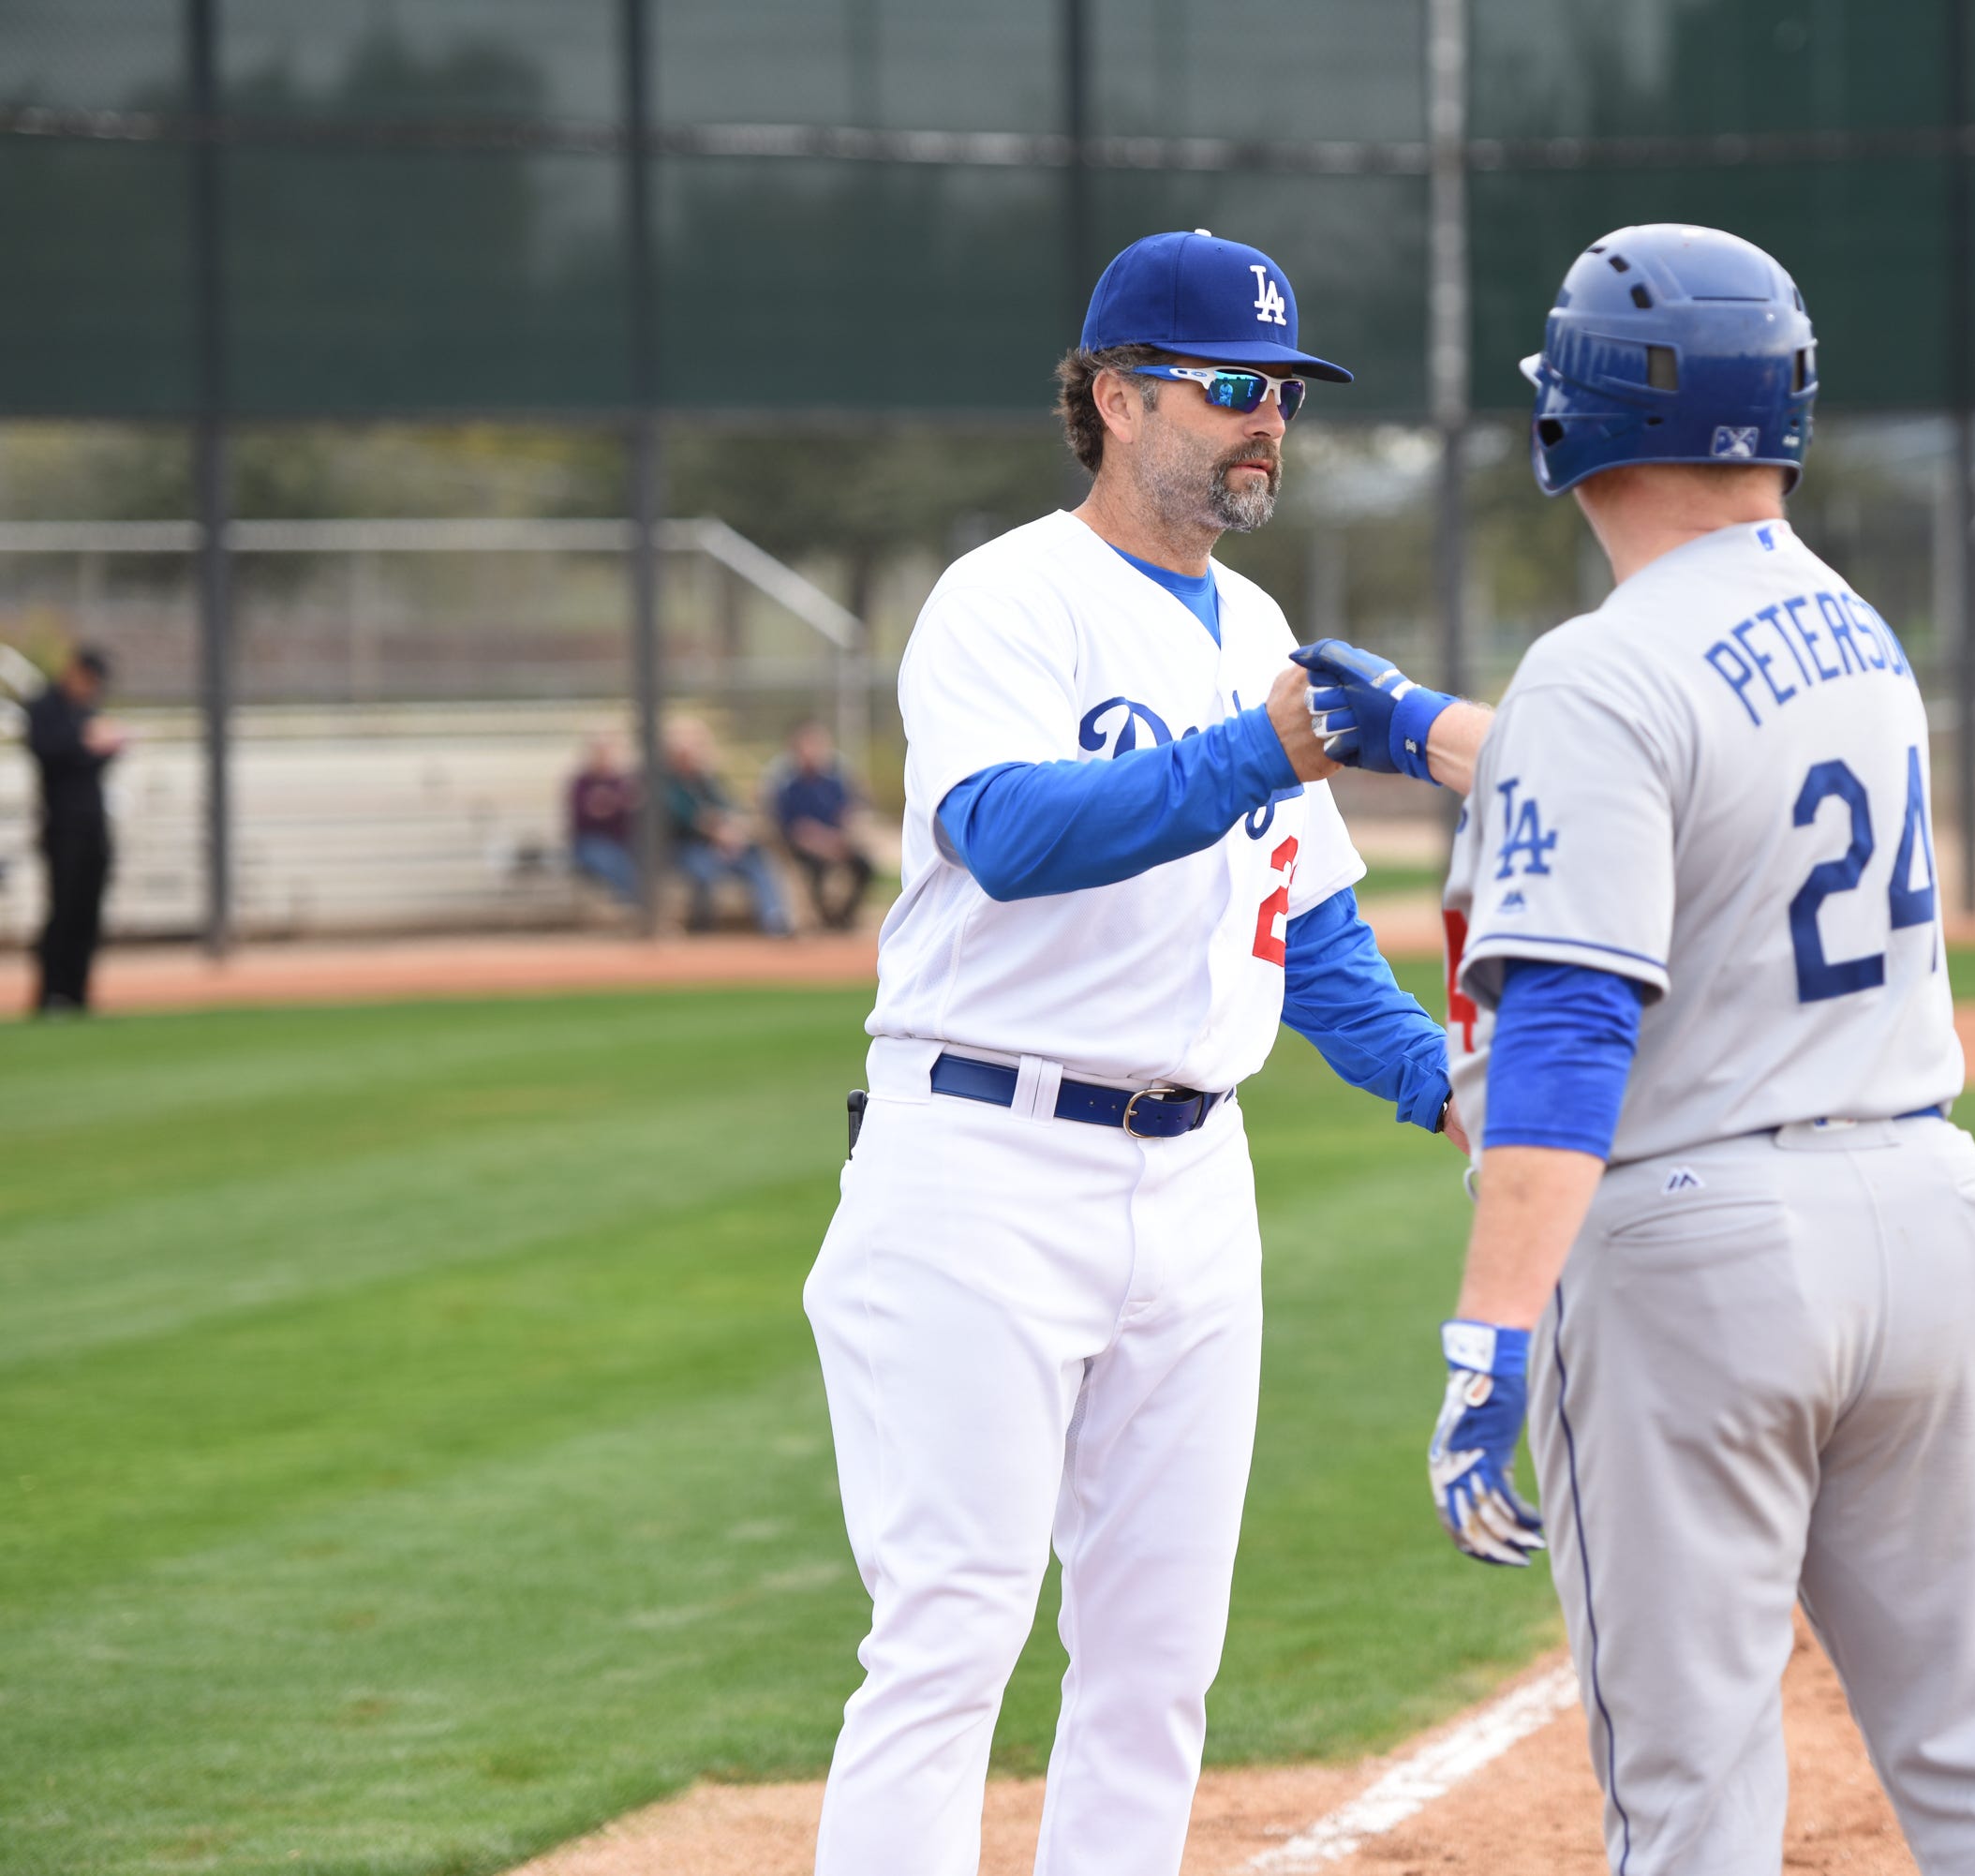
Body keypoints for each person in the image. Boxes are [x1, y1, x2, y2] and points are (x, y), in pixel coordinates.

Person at [1297, 223, 1975, 1876]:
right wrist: (1416, 729)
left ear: (1574, 424)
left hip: (1706, 1262)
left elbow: (1575, 1018)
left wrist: (1490, 1325)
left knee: (1692, 1796)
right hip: (1926, 1215)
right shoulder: (1858, 633)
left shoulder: (1598, 670)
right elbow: (1667, 785)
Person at [801, 230, 1460, 1876]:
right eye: (1231, 387)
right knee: (952, 1632)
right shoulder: (1007, 596)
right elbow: (1009, 832)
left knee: (1161, 1660)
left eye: (1283, 395)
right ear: (1112, 396)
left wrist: (1440, 1081)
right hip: (982, 1161)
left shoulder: (1256, 624)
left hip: (1192, 1182)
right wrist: (1255, 748)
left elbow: (1307, 930)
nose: (1267, 425)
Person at [23, 646, 126, 1015]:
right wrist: (86, 745)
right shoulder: (46, 708)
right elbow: (47, 752)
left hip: (93, 822)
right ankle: (51, 993)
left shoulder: (88, 711)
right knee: (62, 910)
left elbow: (96, 761)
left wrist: (106, 747)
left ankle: (78, 992)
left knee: (88, 911)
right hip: (62, 825)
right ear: (75, 672)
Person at [657, 718, 793, 935]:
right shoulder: (665, 782)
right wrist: (718, 831)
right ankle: (703, 928)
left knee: (757, 861)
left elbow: (730, 809)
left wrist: (735, 831)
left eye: (695, 745)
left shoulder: (709, 780)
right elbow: (687, 817)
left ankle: (774, 920)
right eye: (684, 747)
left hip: (724, 847)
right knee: (702, 870)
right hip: (686, 849)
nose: (691, 752)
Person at [768, 722, 875, 931]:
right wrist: (822, 845)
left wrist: (844, 838)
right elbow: (794, 829)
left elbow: (848, 813)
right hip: (805, 848)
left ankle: (844, 917)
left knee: (864, 866)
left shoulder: (835, 782)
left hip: (836, 843)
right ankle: (822, 919)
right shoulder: (788, 785)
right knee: (815, 870)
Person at [567, 732, 641, 907]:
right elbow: (582, 818)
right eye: (599, 751)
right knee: (611, 861)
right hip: (591, 843)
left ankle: (636, 906)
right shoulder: (581, 783)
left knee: (634, 861)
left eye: (608, 751)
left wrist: (609, 805)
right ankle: (634, 906)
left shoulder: (624, 781)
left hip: (623, 843)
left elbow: (630, 814)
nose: (604, 756)